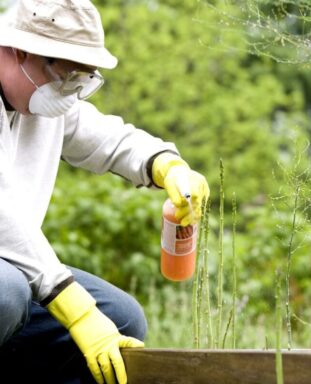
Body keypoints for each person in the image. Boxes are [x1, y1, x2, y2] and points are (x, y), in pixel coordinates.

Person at [0, 0, 210, 383]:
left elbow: (107, 139)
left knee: (121, 317)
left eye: (81, 79)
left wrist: (166, 165)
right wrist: (75, 310)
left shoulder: (44, 105)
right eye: (65, 75)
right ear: (18, 51)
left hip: (14, 267)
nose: (70, 91)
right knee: (7, 292)